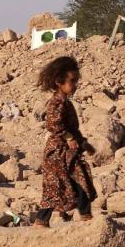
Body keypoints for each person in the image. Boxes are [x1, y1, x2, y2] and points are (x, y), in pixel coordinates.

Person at [33, 55, 97, 227]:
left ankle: (86, 216)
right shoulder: (56, 102)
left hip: (67, 153)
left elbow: (71, 128)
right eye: (72, 81)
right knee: (57, 188)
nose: (75, 85)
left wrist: (83, 143)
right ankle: (42, 222)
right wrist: (68, 138)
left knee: (79, 182)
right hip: (58, 153)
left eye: (76, 81)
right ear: (58, 82)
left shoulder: (65, 102)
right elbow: (53, 123)